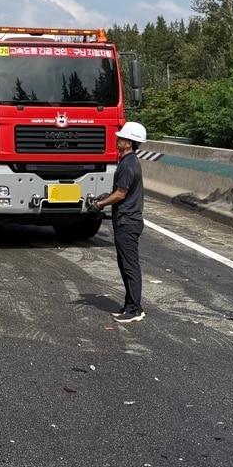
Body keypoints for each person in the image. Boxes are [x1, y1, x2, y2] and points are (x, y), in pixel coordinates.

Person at [88, 121, 148, 323]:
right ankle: (130, 304)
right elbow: (121, 191)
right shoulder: (128, 161)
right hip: (127, 220)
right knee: (125, 264)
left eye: (121, 138)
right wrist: (107, 196)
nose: (117, 139)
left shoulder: (128, 165)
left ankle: (134, 309)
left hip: (127, 222)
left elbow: (121, 194)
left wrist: (99, 204)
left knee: (129, 266)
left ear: (129, 143)